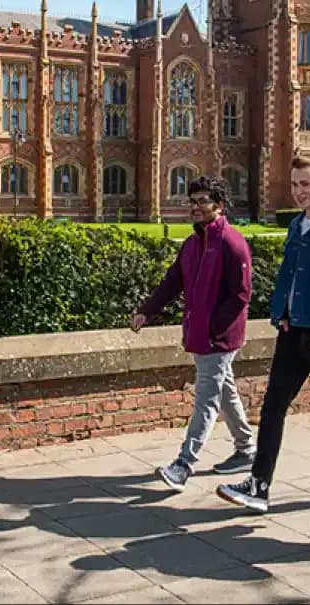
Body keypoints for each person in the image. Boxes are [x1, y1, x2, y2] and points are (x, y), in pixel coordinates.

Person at [216, 155, 310, 514]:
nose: (299, 191)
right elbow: (289, 275)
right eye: (295, 184)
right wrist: (279, 314)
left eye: (306, 184)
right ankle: (259, 486)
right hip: (293, 330)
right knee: (272, 408)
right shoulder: (297, 226)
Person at [131, 174, 257, 491]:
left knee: (206, 400)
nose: (196, 207)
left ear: (220, 205)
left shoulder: (232, 242)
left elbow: (241, 296)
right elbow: (173, 282)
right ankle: (246, 449)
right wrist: (147, 310)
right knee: (223, 390)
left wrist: (215, 329)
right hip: (200, 333)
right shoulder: (192, 244)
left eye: (203, 201)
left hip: (219, 338)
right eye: (193, 201)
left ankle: (184, 464)